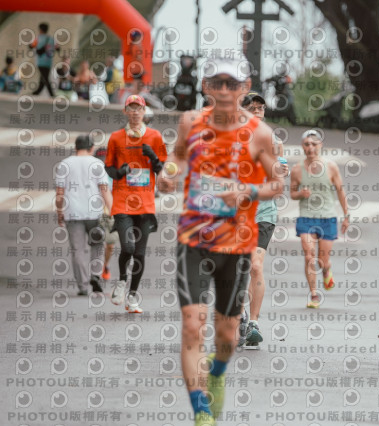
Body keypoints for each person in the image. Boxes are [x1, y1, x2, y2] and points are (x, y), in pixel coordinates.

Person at [158, 57, 284, 426]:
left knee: (226, 334)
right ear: (206, 86)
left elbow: (278, 184)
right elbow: (177, 158)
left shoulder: (260, 133)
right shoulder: (190, 122)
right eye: (218, 83)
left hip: (238, 244)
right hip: (193, 240)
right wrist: (167, 175)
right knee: (192, 326)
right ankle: (201, 410)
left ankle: (217, 373)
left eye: (232, 84)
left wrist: (248, 191)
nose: (225, 90)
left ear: (244, 88)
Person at [104, 94, 167, 313]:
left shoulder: (155, 136)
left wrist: (154, 158)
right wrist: (119, 172)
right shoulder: (116, 138)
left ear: (144, 111)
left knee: (139, 254)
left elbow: (162, 169)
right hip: (122, 200)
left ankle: (132, 296)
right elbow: (108, 167)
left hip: (145, 203)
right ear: (125, 112)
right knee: (128, 247)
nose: (135, 112)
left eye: (138, 108)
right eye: (130, 108)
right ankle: (122, 280)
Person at [238, 91, 289, 349]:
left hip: (264, 213)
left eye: (260, 107)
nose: (257, 111)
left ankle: (253, 323)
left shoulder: (274, 141)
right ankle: (239, 316)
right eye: (252, 107)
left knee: (256, 266)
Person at [290, 129, 349, 308]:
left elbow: (340, 191)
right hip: (306, 217)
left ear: (320, 145)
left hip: (327, 217)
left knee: (323, 260)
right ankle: (314, 294)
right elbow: (292, 193)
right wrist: (300, 193)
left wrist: (346, 215)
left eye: (314, 144)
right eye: (307, 144)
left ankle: (326, 269)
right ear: (302, 146)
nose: (310, 148)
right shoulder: (297, 169)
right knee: (309, 256)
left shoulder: (331, 167)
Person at [55, 135, 112, 296]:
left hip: (72, 213)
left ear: (76, 147)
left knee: (77, 250)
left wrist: (60, 211)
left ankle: (83, 286)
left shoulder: (65, 164)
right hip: (95, 213)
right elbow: (104, 190)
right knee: (98, 246)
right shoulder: (97, 164)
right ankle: (96, 275)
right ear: (92, 148)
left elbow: (60, 193)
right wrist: (112, 211)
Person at [93, 145, 119, 281]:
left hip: (110, 213)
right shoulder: (92, 173)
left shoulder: (115, 173)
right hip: (94, 212)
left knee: (110, 244)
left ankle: (105, 265)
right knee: (96, 243)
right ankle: (95, 270)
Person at [30, 22, 58, 97]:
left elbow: (31, 46)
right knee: (44, 77)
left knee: (45, 78)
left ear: (40, 29)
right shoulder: (51, 39)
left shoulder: (38, 38)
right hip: (48, 62)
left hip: (40, 62)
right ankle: (37, 92)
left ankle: (51, 94)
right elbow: (58, 48)